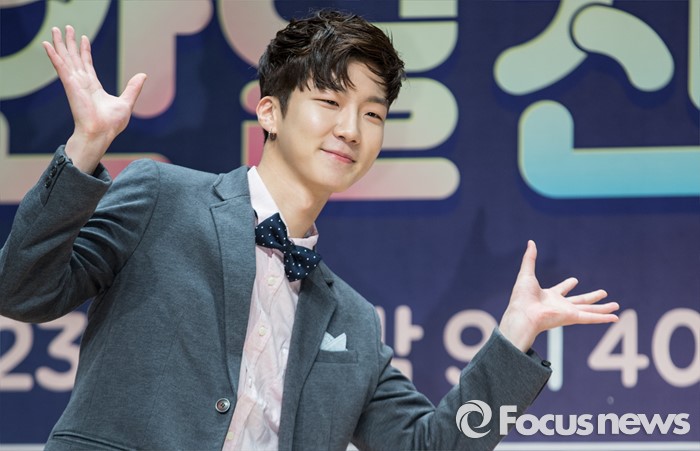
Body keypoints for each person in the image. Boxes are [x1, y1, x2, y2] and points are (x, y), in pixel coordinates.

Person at [0, 9, 619, 451]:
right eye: (330, 102)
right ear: (269, 111)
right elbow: (22, 292)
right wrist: (86, 146)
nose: (351, 128)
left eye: (372, 113)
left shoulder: (352, 320)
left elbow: (433, 446)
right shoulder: (163, 197)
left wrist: (514, 337)